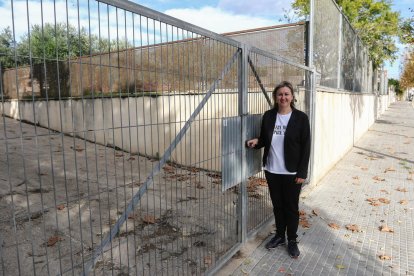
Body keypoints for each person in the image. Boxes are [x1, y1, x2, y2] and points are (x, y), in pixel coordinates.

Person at [246, 80, 311, 259]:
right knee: (277, 206)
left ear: (292, 97)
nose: (283, 97)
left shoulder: (301, 118)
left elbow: (306, 147)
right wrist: (256, 142)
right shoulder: (268, 116)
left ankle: (292, 240)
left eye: (286, 94)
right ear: (275, 97)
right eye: (280, 94)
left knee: (291, 207)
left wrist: (302, 172)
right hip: (272, 169)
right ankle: (279, 236)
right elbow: (266, 139)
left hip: (291, 172)